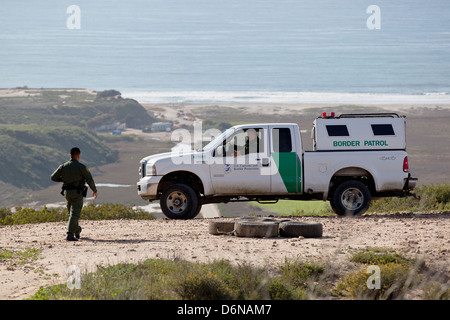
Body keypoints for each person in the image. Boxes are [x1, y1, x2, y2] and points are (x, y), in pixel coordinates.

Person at [51, 147, 98, 241]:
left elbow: (53, 177)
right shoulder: (81, 167)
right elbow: (89, 179)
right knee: (75, 214)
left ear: (70, 155)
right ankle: (70, 234)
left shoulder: (63, 166)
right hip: (77, 193)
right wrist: (94, 190)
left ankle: (77, 230)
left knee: (71, 213)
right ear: (78, 155)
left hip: (67, 193)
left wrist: (64, 179)